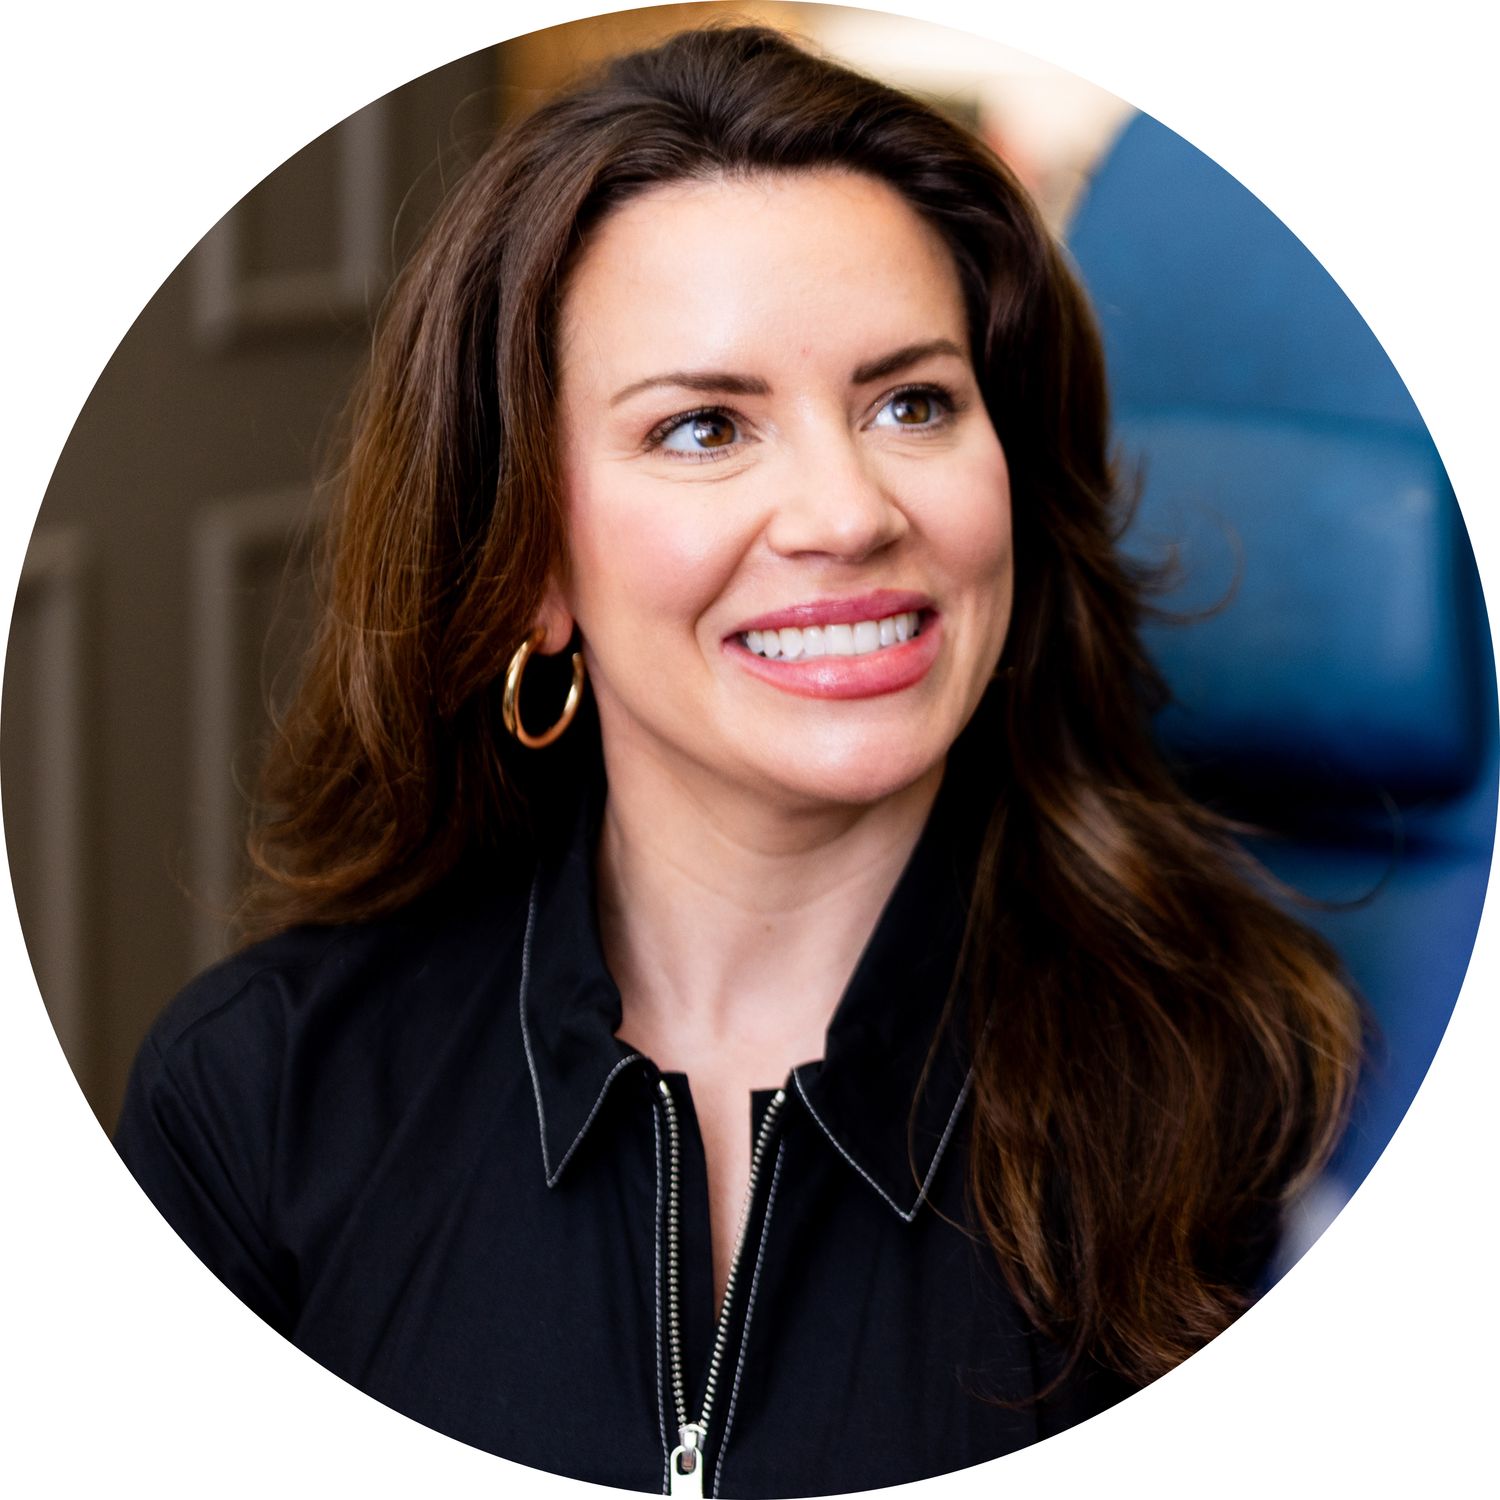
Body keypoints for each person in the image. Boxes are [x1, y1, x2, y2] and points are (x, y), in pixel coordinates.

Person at [114, 24, 1363, 1498]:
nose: (845, 512)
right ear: (530, 559)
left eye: (913, 402)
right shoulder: (255, 1098)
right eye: (703, 427)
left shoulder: (1229, 1083)